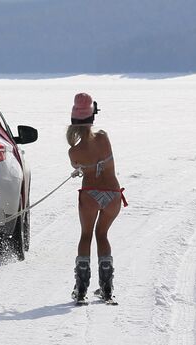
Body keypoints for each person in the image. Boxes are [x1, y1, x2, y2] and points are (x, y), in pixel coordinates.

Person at [67, 93, 127, 303]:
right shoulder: (103, 137)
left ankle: (81, 287)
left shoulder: (74, 151)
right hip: (112, 194)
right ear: (92, 117)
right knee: (102, 235)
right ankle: (106, 288)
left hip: (90, 195)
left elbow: (79, 166)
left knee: (86, 235)